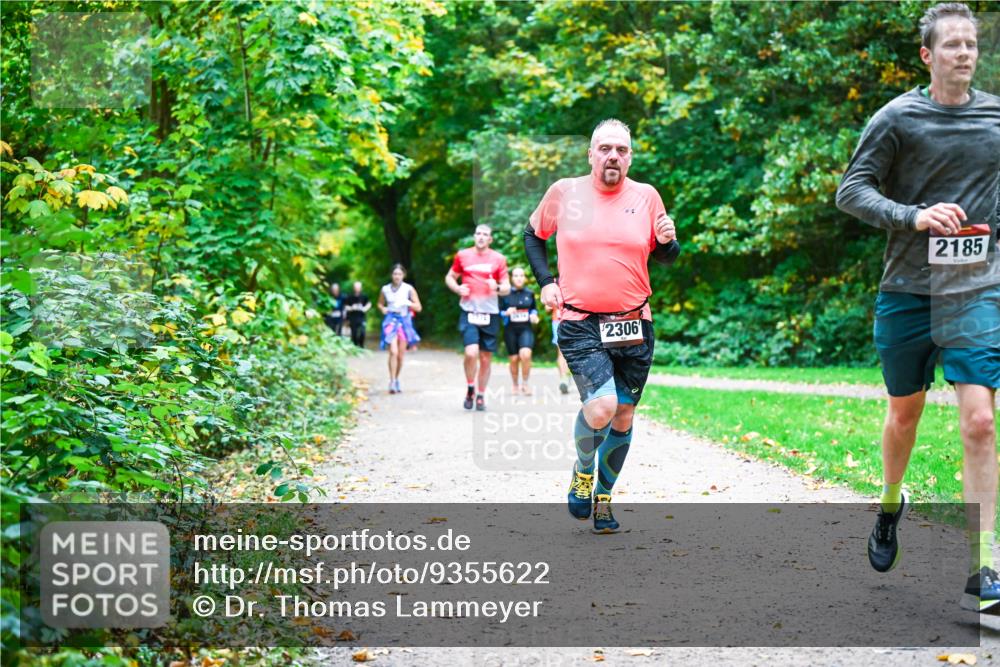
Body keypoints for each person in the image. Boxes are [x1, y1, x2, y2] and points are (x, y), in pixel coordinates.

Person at [835, 2, 1000, 612]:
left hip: (976, 289)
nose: (964, 54)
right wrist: (914, 216)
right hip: (906, 290)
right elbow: (851, 190)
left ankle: (983, 571)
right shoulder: (898, 117)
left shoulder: (995, 117)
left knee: (981, 421)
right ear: (928, 55)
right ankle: (889, 501)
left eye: (972, 45)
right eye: (952, 45)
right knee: (904, 415)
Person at [525, 119, 680, 534]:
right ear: (591, 153)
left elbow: (665, 255)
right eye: (605, 148)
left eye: (622, 150)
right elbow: (532, 235)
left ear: (630, 156)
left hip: (634, 323)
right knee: (602, 408)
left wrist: (668, 241)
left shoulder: (647, 197)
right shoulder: (564, 192)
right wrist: (545, 283)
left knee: (624, 414)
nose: (613, 156)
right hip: (580, 322)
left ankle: (604, 499)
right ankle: (582, 470)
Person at [445, 224, 510, 411]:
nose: (481, 237)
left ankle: (480, 394)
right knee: (471, 352)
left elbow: (506, 287)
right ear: (474, 236)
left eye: (485, 235)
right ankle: (470, 386)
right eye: (478, 233)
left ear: (490, 239)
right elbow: (450, 276)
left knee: (486, 358)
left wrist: (496, 287)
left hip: (490, 313)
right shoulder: (463, 255)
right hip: (469, 311)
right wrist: (457, 288)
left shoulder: (499, 259)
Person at [377, 264, 422, 394]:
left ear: (403, 275)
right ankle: (391, 381)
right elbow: (380, 303)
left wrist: (407, 303)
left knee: (401, 355)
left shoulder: (408, 289)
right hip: (390, 320)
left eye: (399, 274)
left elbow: (418, 307)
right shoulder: (385, 289)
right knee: (393, 352)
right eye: (395, 274)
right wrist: (382, 308)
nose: (397, 276)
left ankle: (396, 379)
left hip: (404, 322)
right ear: (391, 275)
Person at [500, 267, 540, 395]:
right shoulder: (505, 294)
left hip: (525, 329)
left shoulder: (530, 293)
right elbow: (498, 311)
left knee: (526, 354)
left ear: (525, 278)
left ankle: (525, 384)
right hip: (510, 329)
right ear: (512, 278)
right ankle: (515, 384)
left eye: (521, 275)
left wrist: (534, 315)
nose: (519, 278)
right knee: (513, 359)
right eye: (516, 276)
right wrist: (506, 312)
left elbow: (534, 309)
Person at [547, 299, 572, 395]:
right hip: (557, 322)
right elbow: (547, 308)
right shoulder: (552, 286)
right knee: (561, 352)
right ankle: (563, 379)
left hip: (572, 321)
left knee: (571, 353)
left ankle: (568, 375)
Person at [343, 281, 372, 348]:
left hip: (361, 317)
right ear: (353, 288)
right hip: (353, 317)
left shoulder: (364, 296)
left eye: (358, 287)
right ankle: (355, 345)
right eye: (356, 287)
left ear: (361, 288)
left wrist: (365, 308)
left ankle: (361, 345)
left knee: (362, 331)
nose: (357, 288)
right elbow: (345, 307)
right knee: (354, 332)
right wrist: (352, 308)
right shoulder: (349, 296)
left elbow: (369, 304)